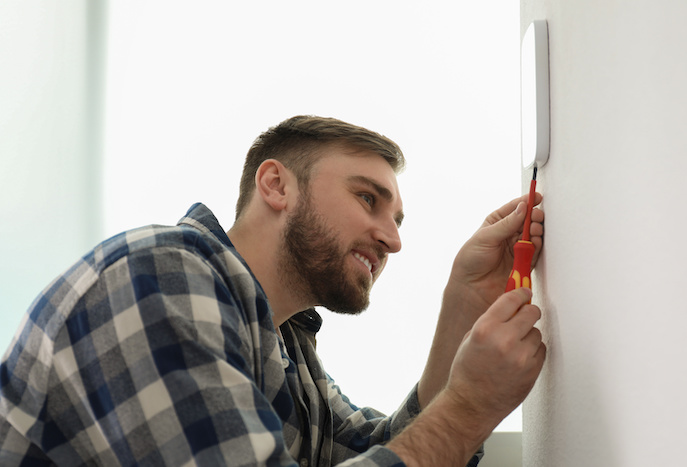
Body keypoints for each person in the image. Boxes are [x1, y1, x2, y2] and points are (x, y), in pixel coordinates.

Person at [0, 115, 545, 466]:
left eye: (398, 218)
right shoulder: (159, 281)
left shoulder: (283, 339)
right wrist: (471, 404)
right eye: (368, 199)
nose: (394, 239)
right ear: (276, 185)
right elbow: (432, 439)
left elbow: (373, 450)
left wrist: (463, 306)